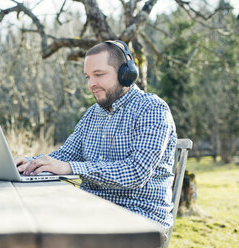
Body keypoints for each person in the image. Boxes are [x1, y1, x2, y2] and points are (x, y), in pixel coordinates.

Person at [15, 40, 177, 239]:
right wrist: (30, 163)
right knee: (25, 225)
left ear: (126, 73)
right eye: (88, 77)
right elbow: (64, 156)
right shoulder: (93, 114)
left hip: (139, 219)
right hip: (90, 211)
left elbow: (136, 172)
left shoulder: (152, 109)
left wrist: (71, 168)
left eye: (99, 75)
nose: (91, 84)